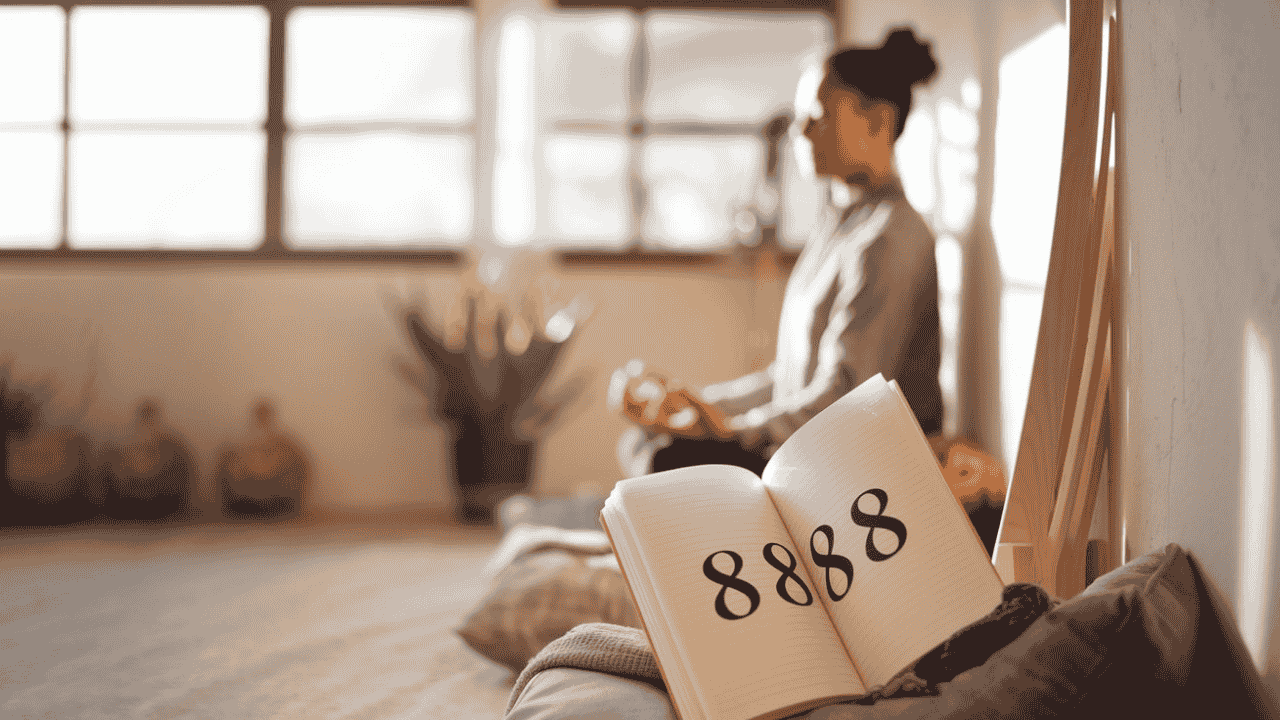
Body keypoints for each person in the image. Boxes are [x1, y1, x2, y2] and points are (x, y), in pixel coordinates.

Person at [614, 27, 943, 478]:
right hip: (806, 439)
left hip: (849, 466)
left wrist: (731, 431)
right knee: (645, 439)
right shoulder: (839, 226)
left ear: (878, 123)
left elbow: (844, 399)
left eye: (818, 114)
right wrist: (702, 405)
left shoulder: (890, 239)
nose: (800, 129)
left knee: (663, 459)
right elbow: (790, 376)